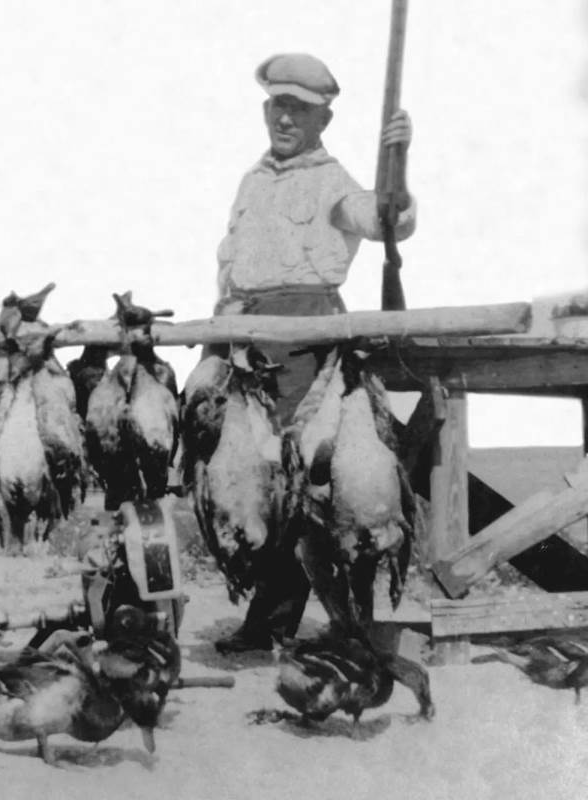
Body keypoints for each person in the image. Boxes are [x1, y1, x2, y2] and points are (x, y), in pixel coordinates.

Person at [209, 53, 417, 653]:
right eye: (278, 105)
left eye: (298, 108)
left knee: (307, 482)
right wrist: (220, 336)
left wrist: (397, 166)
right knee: (254, 478)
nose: (285, 118)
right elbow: (229, 263)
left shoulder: (332, 179)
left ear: (322, 118)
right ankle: (270, 620)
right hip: (246, 337)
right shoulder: (251, 181)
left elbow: (384, 219)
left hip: (305, 339)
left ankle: (327, 624)